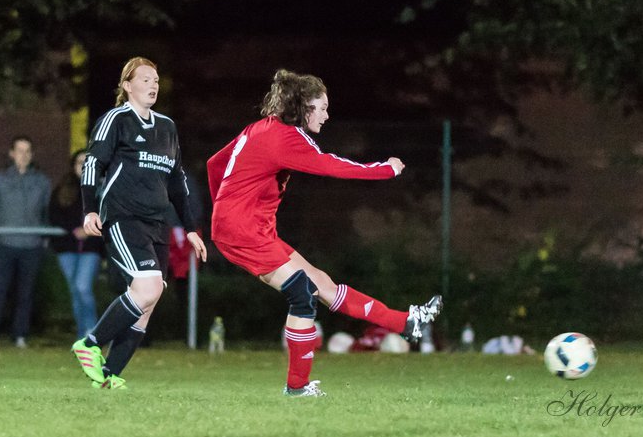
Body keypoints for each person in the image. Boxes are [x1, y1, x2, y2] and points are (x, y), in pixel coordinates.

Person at [207, 69, 442, 397]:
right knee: (302, 293)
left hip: (244, 227)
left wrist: (227, 207)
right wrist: (385, 169)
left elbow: (215, 164)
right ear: (304, 108)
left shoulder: (261, 128)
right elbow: (333, 166)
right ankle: (297, 388)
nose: (327, 115)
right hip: (244, 230)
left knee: (322, 285)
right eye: (322, 107)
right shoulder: (288, 137)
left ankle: (405, 323)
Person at [71, 57, 206, 389]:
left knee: (149, 299)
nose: (153, 85)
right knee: (147, 287)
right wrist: (90, 210)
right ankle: (89, 344)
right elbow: (92, 164)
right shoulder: (115, 120)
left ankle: (109, 375)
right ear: (127, 86)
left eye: (156, 80)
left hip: (157, 223)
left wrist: (189, 228)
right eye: (145, 79)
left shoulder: (167, 127)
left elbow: (177, 182)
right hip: (123, 217)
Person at [0, 136, 51, 348]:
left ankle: (20, 336)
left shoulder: (42, 182)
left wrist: (43, 238)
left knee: (25, 294)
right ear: (12, 154)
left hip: (31, 247)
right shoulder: (0, 180)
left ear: (32, 155)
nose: (23, 155)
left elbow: (47, 212)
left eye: (27, 151)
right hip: (5, 245)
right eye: (19, 150)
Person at [50, 149, 103, 340]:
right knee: (74, 290)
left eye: (86, 162)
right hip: (67, 247)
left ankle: (92, 330)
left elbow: (107, 213)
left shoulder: (101, 188)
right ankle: (82, 334)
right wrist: (75, 229)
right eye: (79, 162)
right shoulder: (63, 189)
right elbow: (55, 215)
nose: (82, 166)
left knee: (83, 286)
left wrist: (89, 230)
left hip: (91, 247)